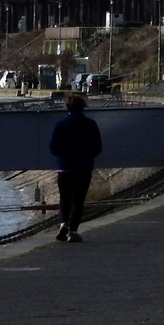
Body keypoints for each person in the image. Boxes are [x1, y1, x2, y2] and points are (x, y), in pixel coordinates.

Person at [48, 93, 102, 242]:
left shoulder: (60, 124)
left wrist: (62, 156)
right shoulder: (90, 124)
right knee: (78, 200)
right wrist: (88, 156)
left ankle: (63, 223)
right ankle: (73, 231)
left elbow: (53, 147)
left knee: (64, 198)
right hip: (84, 167)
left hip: (64, 167)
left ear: (67, 107)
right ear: (83, 107)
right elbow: (98, 147)